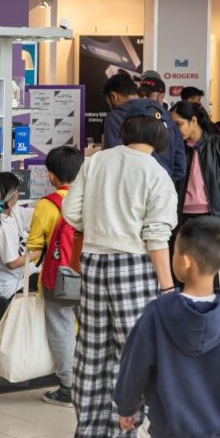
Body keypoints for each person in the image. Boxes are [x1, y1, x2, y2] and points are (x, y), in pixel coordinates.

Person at [62, 101, 179, 437]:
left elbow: (71, 212)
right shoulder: (155, 172)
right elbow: (156, 237)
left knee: (92, 352)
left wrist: (100, 227)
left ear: (126, 130)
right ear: (160, 133)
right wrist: (169, 289)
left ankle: (89, 429)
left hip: (94, 265)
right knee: (133, 354)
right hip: (135, 266)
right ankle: (123, 429)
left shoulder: (97, 161)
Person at [114, 216, 220, 438]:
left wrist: (127, 406)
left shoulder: (157, 313)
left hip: (169, 430)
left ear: (186, 261)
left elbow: (135, 365)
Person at [25, 145, 84, 407]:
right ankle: (93, 384)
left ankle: (68, 388)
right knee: (91, 330)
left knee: (61, 330)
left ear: (51, 175)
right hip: (91, 273)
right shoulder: (91, 199)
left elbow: (35, 246)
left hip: (59, 279)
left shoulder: (47, 205)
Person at [103, 72, 186, 182]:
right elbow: (180, 167)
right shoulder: (167, 116)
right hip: (162, 189)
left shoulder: (115, 117)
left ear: (113, 96)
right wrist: (163, 182)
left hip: (130, 190)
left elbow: (113, 162)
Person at [0, 172, 37, 302]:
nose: (19, 194)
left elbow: (36, 215)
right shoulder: (1, 226)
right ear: (13, 193)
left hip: (18, 279)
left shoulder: (13, 212)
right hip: (8, 287)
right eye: (18, 190)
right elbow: (12, 263)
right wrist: (38, 253)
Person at [172, 101, 220, 227]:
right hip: (181, 214)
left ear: (193, 121)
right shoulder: (175, 147)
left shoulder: (216, 144)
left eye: (178, 124)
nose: (175, 130)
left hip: (212, 213)